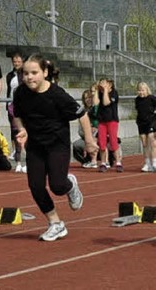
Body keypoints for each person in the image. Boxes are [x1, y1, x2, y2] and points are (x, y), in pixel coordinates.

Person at [13, 54, 98, 242]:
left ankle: (70, 185)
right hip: (35, 146)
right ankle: (55, 224)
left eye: (34, 73)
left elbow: (82, 115)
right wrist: (22, 129)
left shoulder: (57, 94)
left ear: (44, 72)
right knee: (35, 186)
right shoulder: (20, 93)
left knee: (58, 186)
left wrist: (90, 141)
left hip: (57, 145)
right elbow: (17, 114)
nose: (29, 77)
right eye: (26, 73)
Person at [96, 78, 123, 172]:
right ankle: (103, 163)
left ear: (109, 84)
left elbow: (106, 102)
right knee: (102, 142)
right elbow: (95, 102)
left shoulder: (114, 93)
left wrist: (106, 91)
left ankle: (118, 162)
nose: (102, 84)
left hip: (112, 120)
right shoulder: (100, 93)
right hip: (102, 121)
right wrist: (96, 90)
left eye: (104, 83)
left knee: (113, 141)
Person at [5, 52, 26, 172]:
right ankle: (17, 158)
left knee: (23, 131)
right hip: (12, 105)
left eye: (18, 61)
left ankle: (26, 159)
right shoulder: (10, 75)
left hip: (24, 106)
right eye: (14, 62)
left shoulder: (25, 75)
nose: (16, 63)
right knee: (15, 132)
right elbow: (9, 90)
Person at [134, 82, 156, 172]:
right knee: (144, 143)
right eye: (139, 90)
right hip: (141, 123)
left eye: (143, 90)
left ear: (146, 90)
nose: (141, 92)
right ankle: (147, 163)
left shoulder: (151, 98)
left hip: (151, 122)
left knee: (152, 141)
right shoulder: (137, 100)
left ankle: (154, 162)